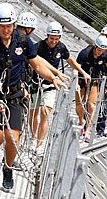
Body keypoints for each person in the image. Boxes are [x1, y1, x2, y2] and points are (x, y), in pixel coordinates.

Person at [0, 3, 66, 192]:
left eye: (9, 25)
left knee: (12, 136)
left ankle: (8, 168)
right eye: (2, 26)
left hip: (15, 94)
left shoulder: (23, 41)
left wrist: (53, 78)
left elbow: (36, 64)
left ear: (14, 23)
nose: (6, 29)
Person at [30, 21, 81, 150]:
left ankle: (39, 143)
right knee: (33, 113)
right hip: (36, 82)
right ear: (47, 36)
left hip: (51, 84)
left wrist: (81, 72)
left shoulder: (61, 47)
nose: (53, 41)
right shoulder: (38, 46)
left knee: (45, 112)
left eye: (56, 39)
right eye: (51, 38)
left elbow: (70, 60)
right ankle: (33, 136)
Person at [74, 36, 107, 142]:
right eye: (99, 49)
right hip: (82, 79)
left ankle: (88, 131)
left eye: (103, 50)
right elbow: (76, 68)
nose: (100, 52)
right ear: (95, 46)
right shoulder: (84, 53)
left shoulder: (105, 55)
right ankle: (81, 122)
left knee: (91, 105)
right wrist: (75, 82)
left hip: (94, 80)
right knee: (79, 103)